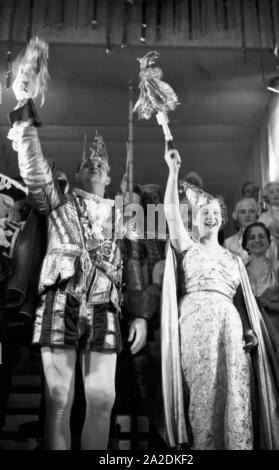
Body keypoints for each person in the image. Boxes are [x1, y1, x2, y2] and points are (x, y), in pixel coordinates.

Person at [7, 94, 147, 450]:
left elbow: (133, 268)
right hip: (60, 298)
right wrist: (25, 118)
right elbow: (35, 169)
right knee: (58, 398)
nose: (95, 164)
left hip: (105, 306)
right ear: (79, 171)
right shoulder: (58, 202)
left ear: (110, 176)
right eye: (88, 162)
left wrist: (142, 315)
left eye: (102, 163)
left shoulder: (124, 218)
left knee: (103, 399)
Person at [160, 146, 279, 450]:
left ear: (222, 221)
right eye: (205, 213)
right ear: (194, 219)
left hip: (231, 328)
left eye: (216, 214)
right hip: (194, 325)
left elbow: (243, 303)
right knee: (202, 393)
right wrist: (173, 172)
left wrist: (251, 331)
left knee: (234, 392)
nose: (211, 217)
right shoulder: (187, 247)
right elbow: (169, 212)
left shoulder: (234, 259)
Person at [243, 222, 279, 340]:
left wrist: (270, 305)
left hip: (278, 332)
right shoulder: (240, 272)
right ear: (245, 244)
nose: (257, 240)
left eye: (261, 236)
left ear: (269, 242)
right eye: (252, 237)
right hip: (252, 334)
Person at [258, 181, 279, 261]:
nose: (275, 194)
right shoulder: (263, 218)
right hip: (270, 254)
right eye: (271, 192)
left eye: (278, 191)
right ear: (267, 197)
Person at [224, 198, 258, 263]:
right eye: (243, 212)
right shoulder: (228, 243)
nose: (247, 215)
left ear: (256, 216)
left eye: (251, 211)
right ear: (237, 216)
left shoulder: (268, 240)